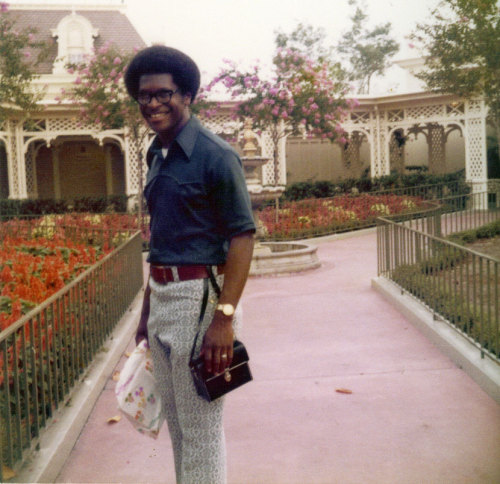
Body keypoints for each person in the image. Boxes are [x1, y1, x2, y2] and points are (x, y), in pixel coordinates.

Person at [124, 45, 255, 484]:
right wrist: (146, 311)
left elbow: (242, 236)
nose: (153, 104)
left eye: (164, 94)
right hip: (163, 298)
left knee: (201, 429)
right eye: (145, 96)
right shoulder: (156, 155)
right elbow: (161, 235)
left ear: (187, 96)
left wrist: (225, 320)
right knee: (178, 427)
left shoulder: (217, 156)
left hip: (200, 301)